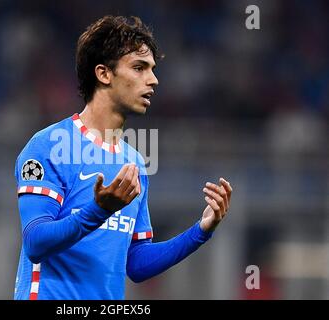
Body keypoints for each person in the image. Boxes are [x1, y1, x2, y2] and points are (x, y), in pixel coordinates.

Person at [13, 15, 233, 300]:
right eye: (139, 68)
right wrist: (98, 210)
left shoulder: (134, 162)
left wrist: (201, 231)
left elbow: (137, 263)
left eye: (152, 69)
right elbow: (35, 242)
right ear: (104, 74)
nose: (153, 80)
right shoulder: (49, 146)